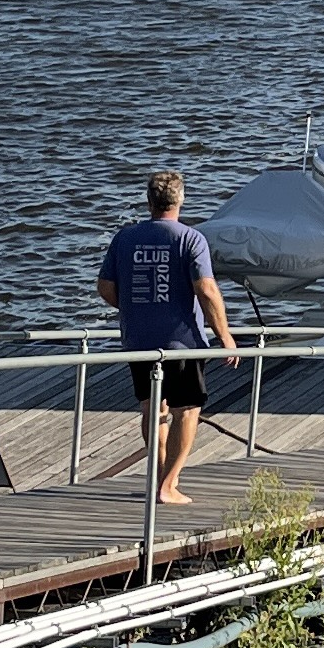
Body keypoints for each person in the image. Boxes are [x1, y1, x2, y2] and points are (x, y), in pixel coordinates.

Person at [97, 170, 235, 507]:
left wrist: (136, 310)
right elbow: (205, 289)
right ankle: (169, 485)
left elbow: (105, 288)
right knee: (187, 411)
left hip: (138, 340)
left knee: (152, 408)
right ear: (181, 200)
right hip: (181, 343)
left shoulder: (125, 238)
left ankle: (159, 479)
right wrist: (225, 337)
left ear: (149, 201)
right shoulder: (190, 239)